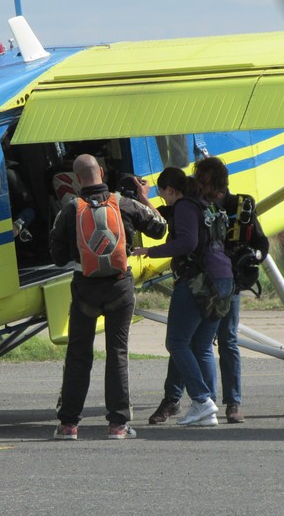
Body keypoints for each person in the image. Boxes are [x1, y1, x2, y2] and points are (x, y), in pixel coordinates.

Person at [50, 154, 167, 440]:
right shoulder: (123, 204)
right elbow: (160, 228)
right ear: (102, 172)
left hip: (85, 289)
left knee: (78, 354)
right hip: (119, 286)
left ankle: (68, 425)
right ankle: (118, 425)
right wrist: (144, 197)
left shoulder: (69, 210)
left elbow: (57, 257)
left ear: (77, 179)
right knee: (117, 353)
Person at [147, 163, 269, 425]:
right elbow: (171, 211)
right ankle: (189, 400)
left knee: (218, 340)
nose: (195, 184)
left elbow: (261, 243)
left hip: (221, 283)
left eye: (200, 180)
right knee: (196, 343)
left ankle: (228, 403)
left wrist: (252, 259)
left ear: (210, 184)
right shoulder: (199, 203)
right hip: (219, 279)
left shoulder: (239, 206)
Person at [133, 159, 233, 427]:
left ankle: (201, 400)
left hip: (198, 281)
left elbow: (186, 241)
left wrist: (149, 252)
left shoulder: (187, 206)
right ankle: (208, 408)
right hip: (224, 278)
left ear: (169, 190)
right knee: (201, 346)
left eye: (159, 192)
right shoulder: (202, 204)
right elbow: (171, 219)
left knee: (176, 343)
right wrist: (144, 199)